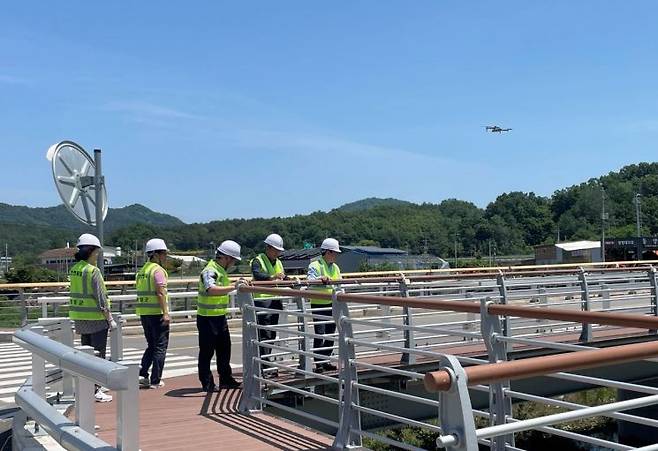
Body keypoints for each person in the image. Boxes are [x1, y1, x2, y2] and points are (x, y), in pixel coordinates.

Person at [68, 233, 115, 402]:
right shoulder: (92, 271)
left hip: (80, 319)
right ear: (92, 251)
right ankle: (95, 389)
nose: (98, 255)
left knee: (85, 356)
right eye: (97, 252)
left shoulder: (74, 270)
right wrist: (110, 320)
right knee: (98, 356)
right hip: (96, 320)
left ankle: (86, 387)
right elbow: (101, 299)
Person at [197, 240, 243, 391]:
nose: (234, 263)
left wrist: (234, 284)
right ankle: (207, 383)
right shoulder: (210, 270)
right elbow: (211, 289)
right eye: (234, 260)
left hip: (219, 317)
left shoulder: (220, 270)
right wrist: (233, 287)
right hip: (207, 318)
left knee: (224, 350)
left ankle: (226, 379)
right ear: (227, 258)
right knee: (206, 352)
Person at [136, 238, 170, 389]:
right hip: (157, 313)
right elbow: (160, 292)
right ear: (156, 254)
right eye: (163, 253)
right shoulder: (157, 270)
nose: (165, 257)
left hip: (144, 313)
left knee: (151, 345)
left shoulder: (142, 271)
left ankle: (143, 374)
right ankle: (156, 380)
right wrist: (166, 313)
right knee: (160, 347)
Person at [250, 234, 286, 366]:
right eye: (276, 250)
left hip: (275, 300)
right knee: (264, 333)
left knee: (271, 333)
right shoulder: (258, 260)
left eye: (279, 251)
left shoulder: (278, 262)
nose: (277, 253)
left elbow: (282, 276)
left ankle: (265, 362)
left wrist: (290, 280)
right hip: (262, 301)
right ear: (268, 247)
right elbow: (257, 274)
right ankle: (263, 364)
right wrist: (272, 277)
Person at [307, 238, 342, 374]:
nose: (335, 255)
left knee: (330, 334)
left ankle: (326, 360)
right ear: (327, 252)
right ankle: (319, 363)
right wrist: (319, 279)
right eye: (333, 253)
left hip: (332, 303)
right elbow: (309, 280)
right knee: (320, 333)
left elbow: (339, 283)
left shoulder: (335, 267)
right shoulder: (315, 265)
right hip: (318, 303)